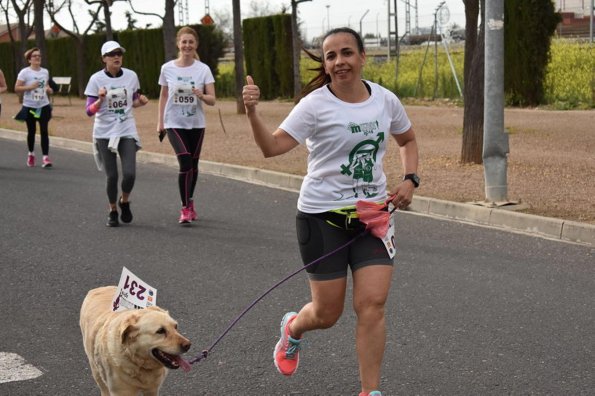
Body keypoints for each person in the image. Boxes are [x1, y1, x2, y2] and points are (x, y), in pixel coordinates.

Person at [242, 27, 419, 396]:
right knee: (327, 314)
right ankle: (292, 329)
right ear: (325, 64)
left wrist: (410, 179)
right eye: (331, 56)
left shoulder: (385, 100)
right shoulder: (314, 105)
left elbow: (407, 139)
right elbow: (272, 148)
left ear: (362, 57)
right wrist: (252, 112)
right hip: (321, 218)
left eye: (347, 53)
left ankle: (369, 392)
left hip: (372, 217)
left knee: (372, 305)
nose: (340, 62)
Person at [84, 41, 149, 227]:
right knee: (112, 176)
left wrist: (141, 101)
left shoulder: (131, 76)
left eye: (119, 53)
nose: (116, 57)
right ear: (104, 58)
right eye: (112, 54)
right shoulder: (96, 79)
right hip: (104, 132)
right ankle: (112, 209)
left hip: (126, 129)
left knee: (129, 174)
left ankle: (125, 201)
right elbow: (88, 111)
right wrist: (100, 100)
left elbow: (133, 101)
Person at [157, 26, 216, 224]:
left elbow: (212, 100)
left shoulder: (203, 69)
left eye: (191, 42)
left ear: (196, 45)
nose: (187, 45)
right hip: (174, 122)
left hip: (196, 123)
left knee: (194, 165)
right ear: (178, 44)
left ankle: (190, 201)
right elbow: (164, 95)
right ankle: (184, 208)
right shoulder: (167, 68)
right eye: (184, 42)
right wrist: (160, 123)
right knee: (185, 162)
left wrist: (201, 95)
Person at [14, 48, 54, 168]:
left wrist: (48, 89)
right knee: (31, 131)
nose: (37, 58)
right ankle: (31, 154)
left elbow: (45, 85)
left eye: (39, 56)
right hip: (30, 105)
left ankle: (45, 158)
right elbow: (16, 88)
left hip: (43, 105)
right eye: (34, 56)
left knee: (44, 131)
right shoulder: (24, 72)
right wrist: (30, 87)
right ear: (29, 59)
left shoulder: (45, 72)